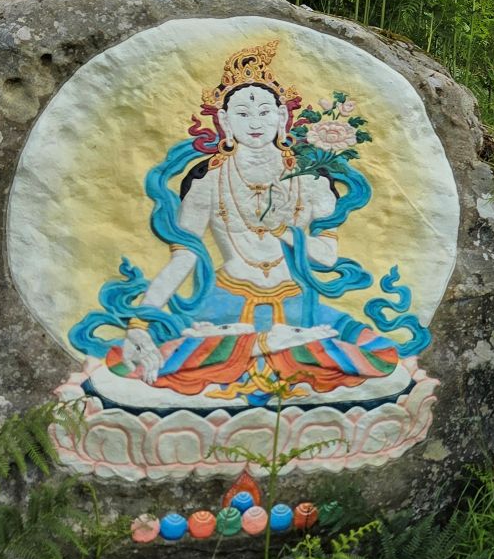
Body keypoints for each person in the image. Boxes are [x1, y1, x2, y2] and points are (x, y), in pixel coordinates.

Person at [104, 40, 402, 402]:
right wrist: (140, 323)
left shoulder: (310, 179)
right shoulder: (207, 183)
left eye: (264, 112)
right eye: (243, 115)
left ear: (282, 118)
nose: (255, 123)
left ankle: (263, 345)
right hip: (224, 306)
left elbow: (325, 258)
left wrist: (284, 231)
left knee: (382, 354)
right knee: (127, 363)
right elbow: (183, 259)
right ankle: (264, 344)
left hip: (298, 307)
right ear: (225, 122)